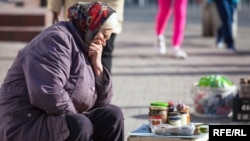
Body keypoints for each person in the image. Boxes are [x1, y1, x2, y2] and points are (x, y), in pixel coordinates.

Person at [0, 2, 124, 141]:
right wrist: (78, 116)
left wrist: (98, 68)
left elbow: (102, 104)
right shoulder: (57, 40)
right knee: (79, 125)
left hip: (52, 116)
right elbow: (49, 94)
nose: (104, 43)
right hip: (26, 122)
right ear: (92, 27)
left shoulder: (84, 43)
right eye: (104, 36)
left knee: (113, 116)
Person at [47, 0, 125, 73]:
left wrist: (55, 8)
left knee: (100, 54)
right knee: (77, 54)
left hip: (107, 15)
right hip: (85, 15)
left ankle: (101, 82)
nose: (104, 42)